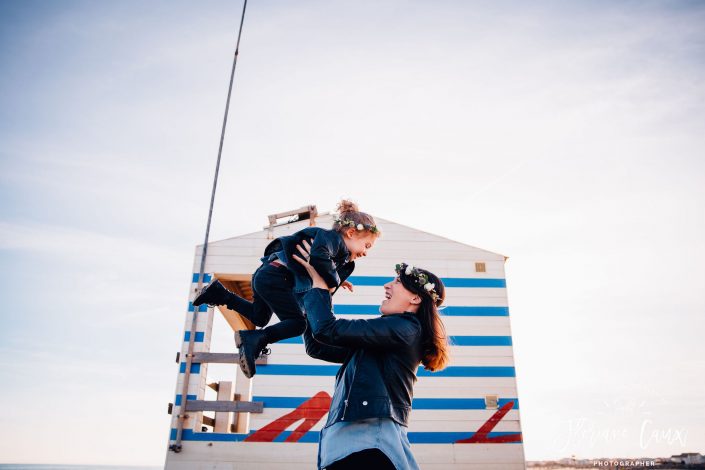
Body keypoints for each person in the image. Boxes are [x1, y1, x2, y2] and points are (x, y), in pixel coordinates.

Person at [293, 241, 450, 470]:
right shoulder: (389, 336)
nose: (387, 285)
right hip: (354, 439)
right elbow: (318, 346)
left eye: (397, 282)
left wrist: (319, 286)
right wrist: (314, 292)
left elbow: (328, 329)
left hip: (368, 440)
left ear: (416, 298)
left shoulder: (404, 328)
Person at [192, 200, 380, 378]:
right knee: (297, 324)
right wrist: (334, 279)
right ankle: (254, 338)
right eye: (367, 245)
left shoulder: (341, 259)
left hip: (267, 275)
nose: (365, 252)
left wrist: (336, 280)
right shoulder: (332, 239)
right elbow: (319, 257)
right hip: (277, 277)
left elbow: (322, 283)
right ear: (351, 233)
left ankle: (220, 294)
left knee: (259, 317)